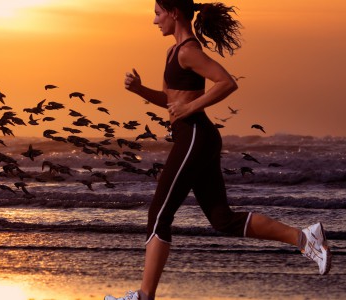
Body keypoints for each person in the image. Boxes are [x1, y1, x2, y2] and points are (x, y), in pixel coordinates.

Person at [104, 1, 331, 300]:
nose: (154, 21)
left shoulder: (187, 50)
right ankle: (304, 238)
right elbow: (171, 100)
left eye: (158, 14)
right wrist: (140, 90)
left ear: (174, 12)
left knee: (159, 215)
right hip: (197, 137)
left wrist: (190, 107)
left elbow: (226, 83)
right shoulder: (173, 52)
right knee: (222, 220)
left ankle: (144, 296)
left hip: (195, 136)